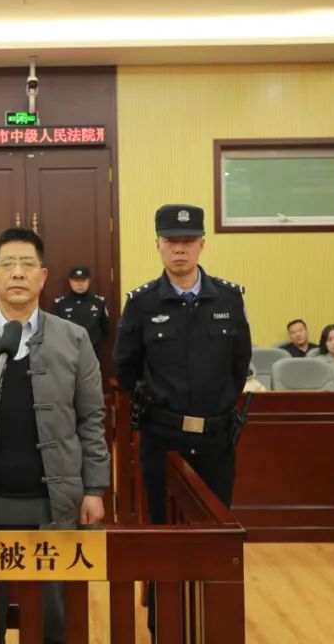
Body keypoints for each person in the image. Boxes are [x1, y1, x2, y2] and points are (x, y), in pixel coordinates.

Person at [0, 227, 109, 644]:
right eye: (7, 264)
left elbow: (91, 418)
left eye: (27, 264)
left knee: (52, 614)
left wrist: (94, 488)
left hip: (53, 500)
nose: (17, 273)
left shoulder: (74, 339)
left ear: (43, 277)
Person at [114, 204, 251, 636]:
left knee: (215, 532)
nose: (180, 249)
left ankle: (209, 622)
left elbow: (239, 364)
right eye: (171, 241)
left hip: (216, 439)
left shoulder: (228, 299)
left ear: (202, 245)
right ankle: (164, 625)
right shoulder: (142, 303)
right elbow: (125, 368)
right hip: (163, 439)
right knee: (163, 532)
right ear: (157, 245)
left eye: (188, 241)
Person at [52, 265, 110, 361]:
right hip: (67, 354)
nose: (80, 284)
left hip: (93, 353)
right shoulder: (60, 304)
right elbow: (55, 331)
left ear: (89, 281)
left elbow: (105, 329)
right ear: (70, 281)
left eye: (83, 280)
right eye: (76, 280)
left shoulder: (99, 302)